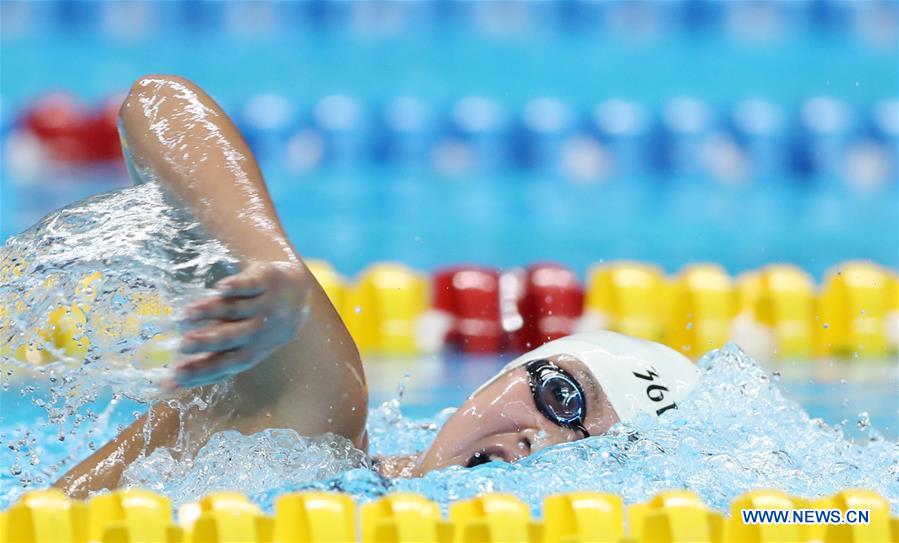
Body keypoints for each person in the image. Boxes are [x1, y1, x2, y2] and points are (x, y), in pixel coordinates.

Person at [54, 75, 697, 496]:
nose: (543, 441)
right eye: (561, 396)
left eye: (600, 459)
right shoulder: (313, 429)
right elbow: (160, 104)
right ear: (503, 374)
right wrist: (267, 261)